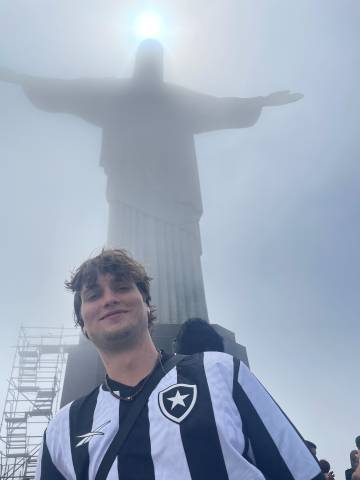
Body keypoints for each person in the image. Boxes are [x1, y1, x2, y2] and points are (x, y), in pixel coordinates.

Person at [0, 39, 303, 325]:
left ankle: (187, 318)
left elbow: (219, 107)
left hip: (174, 190)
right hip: (129, 186)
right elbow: (68, 91)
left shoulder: (178, 100)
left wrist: (262, 101)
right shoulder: (113, 94)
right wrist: (21, 78)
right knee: (126, 249)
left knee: (178, 254)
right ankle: (132, 318)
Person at [36, 248, 322, 480]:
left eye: (121, 287)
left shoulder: (221, 373)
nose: (110, 299)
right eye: (94, 295)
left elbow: (301, 473)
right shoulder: (63, 430)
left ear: (147, 304)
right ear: (82, 324)